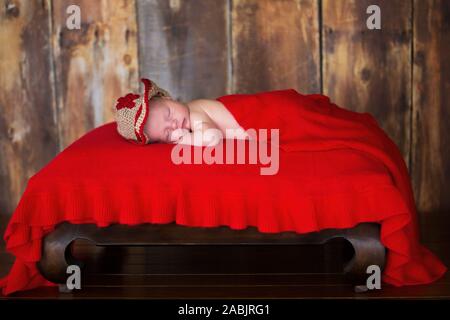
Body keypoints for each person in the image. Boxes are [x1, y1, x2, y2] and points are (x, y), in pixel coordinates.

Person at [114, 78, 248, 146]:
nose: (173, 125)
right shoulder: (190, 117)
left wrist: (186, 139)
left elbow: (213, 137)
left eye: (168, 114)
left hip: (255, 114)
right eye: (167, 133)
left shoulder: (195, 113)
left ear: (166, 97)